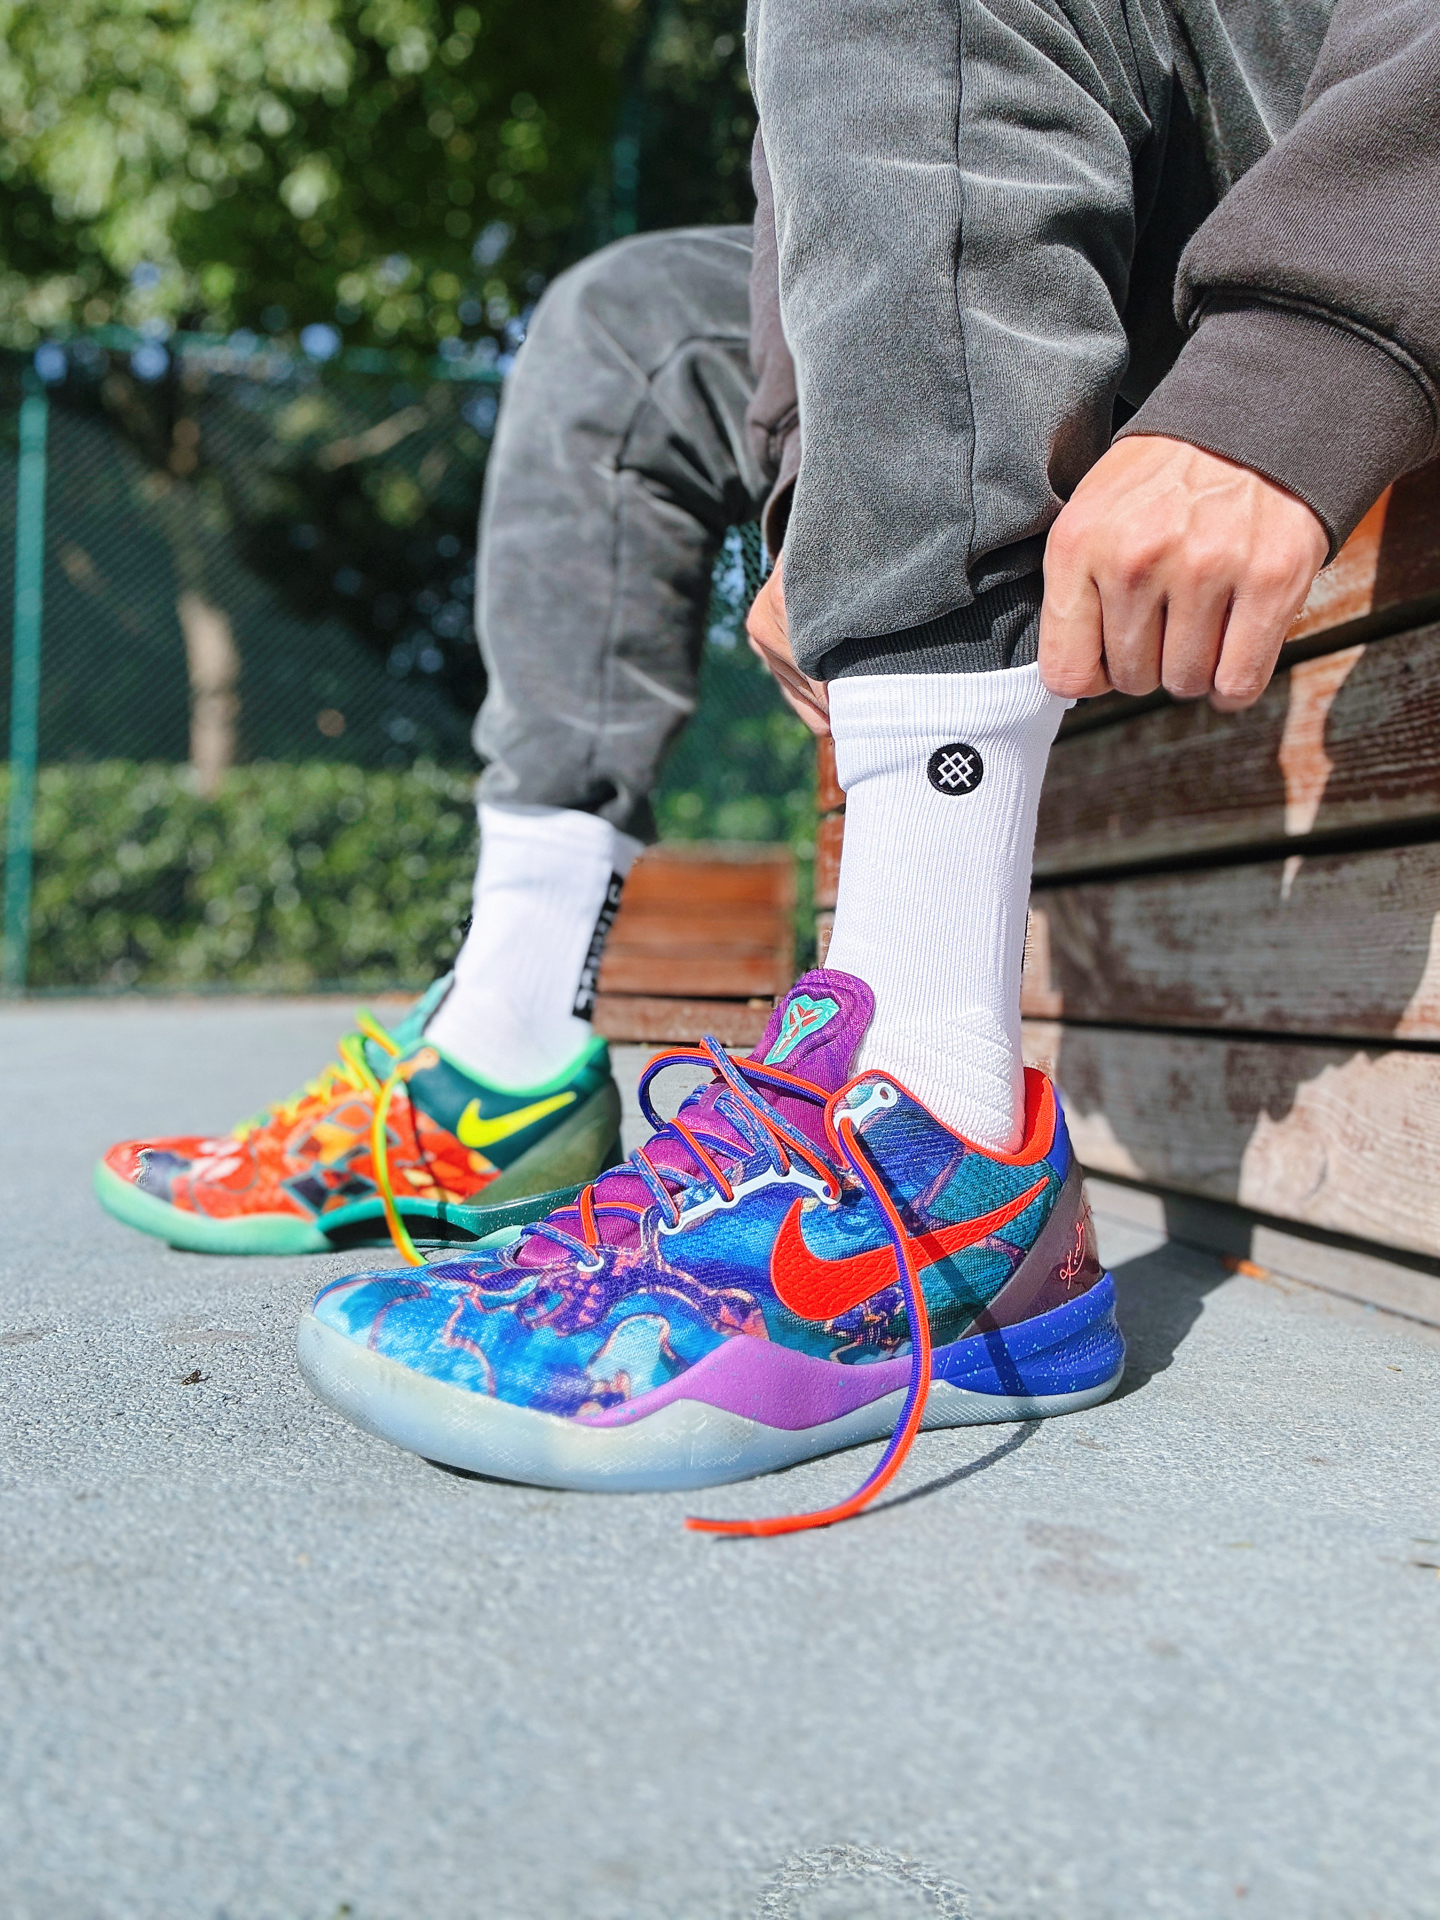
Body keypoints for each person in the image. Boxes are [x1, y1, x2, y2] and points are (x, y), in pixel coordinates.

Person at [111, 2, 1440, 1528]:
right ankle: (503, 1053)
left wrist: (1301, 364)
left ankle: (922, 1119)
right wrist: (821, 475)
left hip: (1365, 145)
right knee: (624, 324)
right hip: (1137, 200)